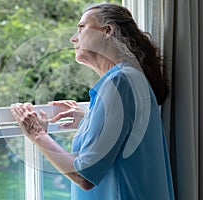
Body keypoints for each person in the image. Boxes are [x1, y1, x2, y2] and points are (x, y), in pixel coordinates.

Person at [10, 3, 175, 200]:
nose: (73, 38)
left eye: (81, 28)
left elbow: (85, 176)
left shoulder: (119, 82)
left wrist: (38, 134)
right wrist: (88, 120)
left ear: (108, 30)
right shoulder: (131, 78)